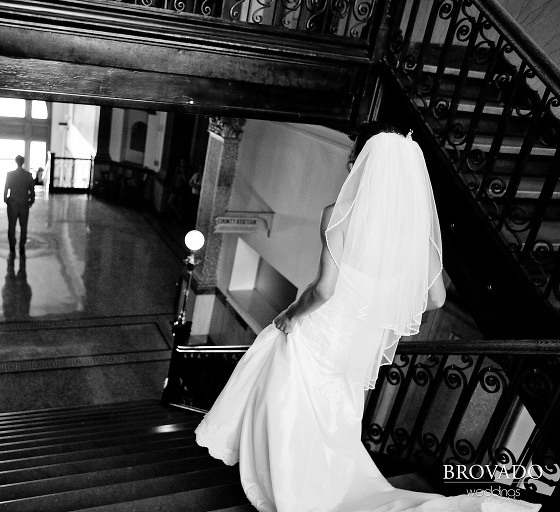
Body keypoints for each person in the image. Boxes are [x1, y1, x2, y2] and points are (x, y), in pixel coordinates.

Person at [195, 123, 540, 512]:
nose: (348, 162)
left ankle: (290, 483)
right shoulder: (415, 231)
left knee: (289, 401)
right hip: (360, 340)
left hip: (324, 330)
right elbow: (436, 298)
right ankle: (323, 485)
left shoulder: (337, 215)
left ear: (365, 163)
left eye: (354, 155)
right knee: (336, 419)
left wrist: (292, 313)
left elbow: (323, 290)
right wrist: (381, 309)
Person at [3, 155, 35, 255]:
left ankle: (12, 246)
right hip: (24, 204)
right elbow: (32, 191)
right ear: (23, 162)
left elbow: (6, 189)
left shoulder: (10, 174)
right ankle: (22, 245)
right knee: (23, 226)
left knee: (11, 226)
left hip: (12, 204)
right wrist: (30, 201)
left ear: (16, 162)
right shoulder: (28, 175)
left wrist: (6, 200)